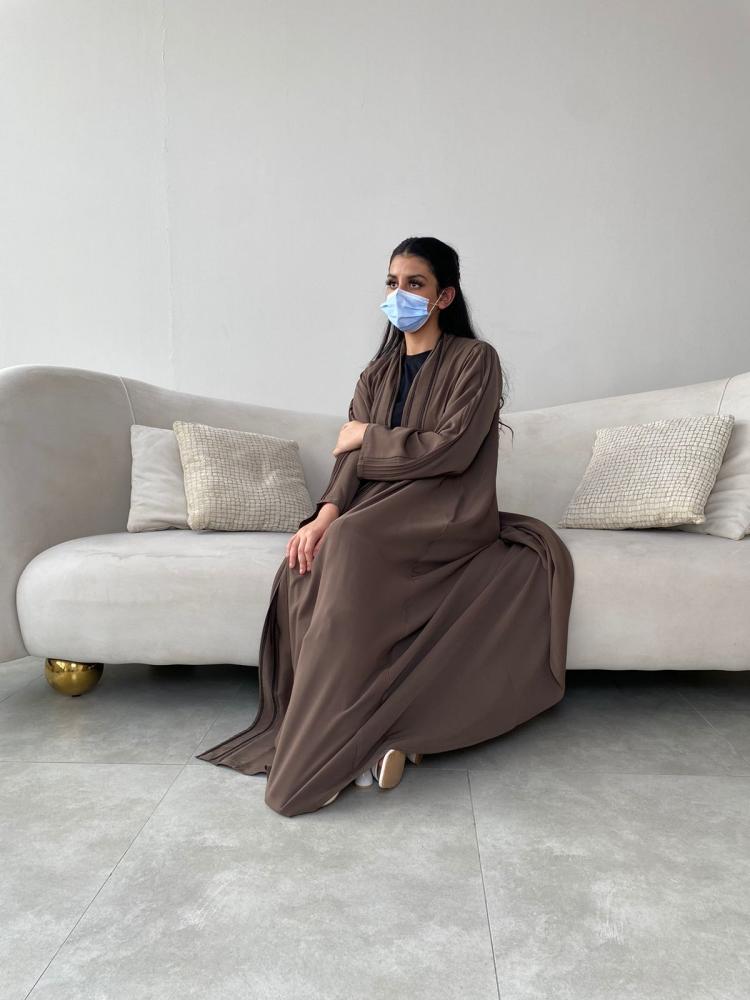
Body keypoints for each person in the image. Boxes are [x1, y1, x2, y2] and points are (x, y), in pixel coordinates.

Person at [196, 235, 575, 817]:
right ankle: (354, 736)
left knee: (351, 541)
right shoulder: (375, 374)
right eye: (393, 282)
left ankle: (339, 746)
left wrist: (366, 437)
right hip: (381, 507)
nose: (401, 294)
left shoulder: (476, 360)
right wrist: (323, 515)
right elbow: (348, 463)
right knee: (306, 561)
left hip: (448, 509)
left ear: (445, 296)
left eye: (415, 283)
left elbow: (450, 450)